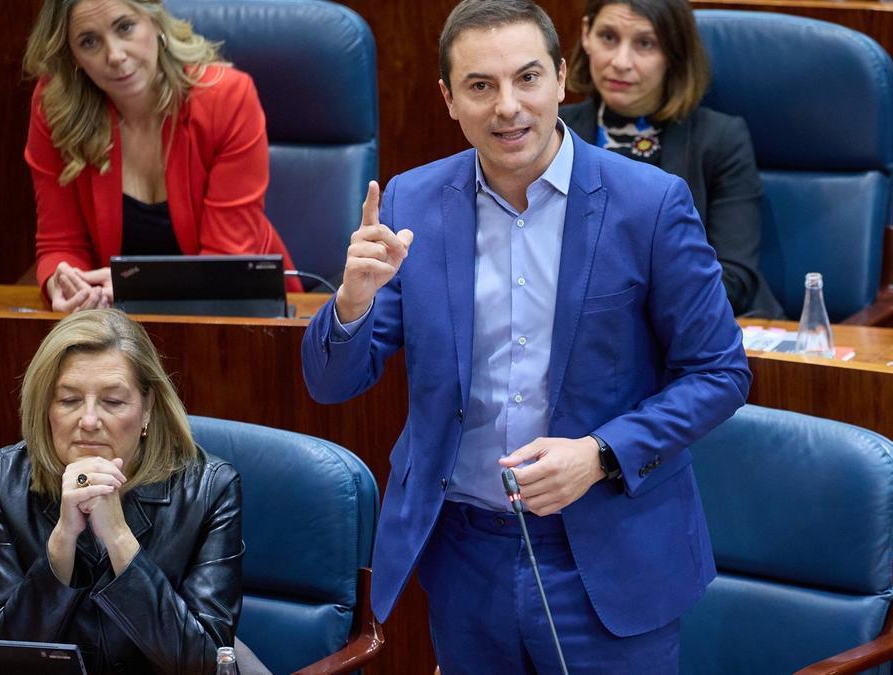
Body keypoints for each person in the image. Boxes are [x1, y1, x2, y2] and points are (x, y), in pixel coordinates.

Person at [301, 0, 750, 670]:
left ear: (563, 79)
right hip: (464, 556)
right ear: (450, 100)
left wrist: (599, 454)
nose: (508, 106)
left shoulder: (650, 204)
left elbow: (720, 372)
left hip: (607, 552)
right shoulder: (411, 202)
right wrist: (352, 300)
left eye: (528, 78)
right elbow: (332, 383)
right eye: (481, 86)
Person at [0, 309, 242, 673]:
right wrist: (61, 541)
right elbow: (4, 654)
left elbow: (205, 662)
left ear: (148, 407)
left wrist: (119, 537)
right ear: (47, 408)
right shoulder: (6, 478)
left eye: (113, 402)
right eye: (69, 400)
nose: (88, 421)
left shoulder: (210, 489)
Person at [23, 0, 301, 313]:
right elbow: (60, 244)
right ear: (72, 56)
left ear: (155, 20)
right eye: (89, 41)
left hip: (235, 315)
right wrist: (65, 285)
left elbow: (226, 261)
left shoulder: (228, 98)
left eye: (125, 27)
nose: (114, 56)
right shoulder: (57, 109)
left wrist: (136, 287)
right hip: (115, 325)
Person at [561, 0, 783, 318]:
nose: (621, 62)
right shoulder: (554, 133)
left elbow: (735, 279)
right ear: (586, 35)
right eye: (608, 37)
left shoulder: (720, 140)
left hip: (687, 333)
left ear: (674, 52)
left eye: (645, 44)